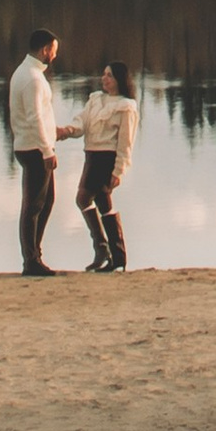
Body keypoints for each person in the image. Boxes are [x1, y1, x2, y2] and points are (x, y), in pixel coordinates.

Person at [6, 23, 60, 274]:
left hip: (30, 145)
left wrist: (54, 133)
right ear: (45, 49)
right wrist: (47, 151)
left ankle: (34, 256)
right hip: (35, 149)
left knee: (45, 201)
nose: (55, 55)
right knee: (34, 205)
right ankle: (31, 260)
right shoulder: (33, 79)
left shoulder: (24, 72)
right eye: (53, 50)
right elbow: (34, 117)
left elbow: (37, 117)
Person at [77, 57, 139, 271]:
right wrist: (66, 131)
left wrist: (119, 169)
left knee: (83, 198)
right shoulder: (96, 99)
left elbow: (126, 141)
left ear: (119, 80)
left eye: (109, 75)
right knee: (103, 204)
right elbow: (82, 121)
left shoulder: (126, 107)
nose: (104, 79)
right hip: (91, 155)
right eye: (103, 74)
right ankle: (116, 256)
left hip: (106, 158)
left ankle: (104, 248)